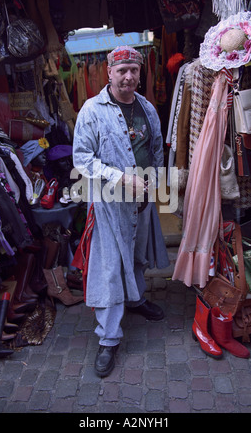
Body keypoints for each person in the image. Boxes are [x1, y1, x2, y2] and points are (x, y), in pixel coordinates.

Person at [72, 45, 169, 377]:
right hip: (110, 204)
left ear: (140, 74)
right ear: (109, 73)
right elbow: (82, 159)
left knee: (138, 255)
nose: (128, 76)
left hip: (142, 200)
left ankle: (136, 299)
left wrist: (154, 181)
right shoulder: (92, 110)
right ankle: (108, 339)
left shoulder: (147, 108)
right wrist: (120, 177)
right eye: (121, 70)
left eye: (133, 70)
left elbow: (156, 147)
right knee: (111, 268)